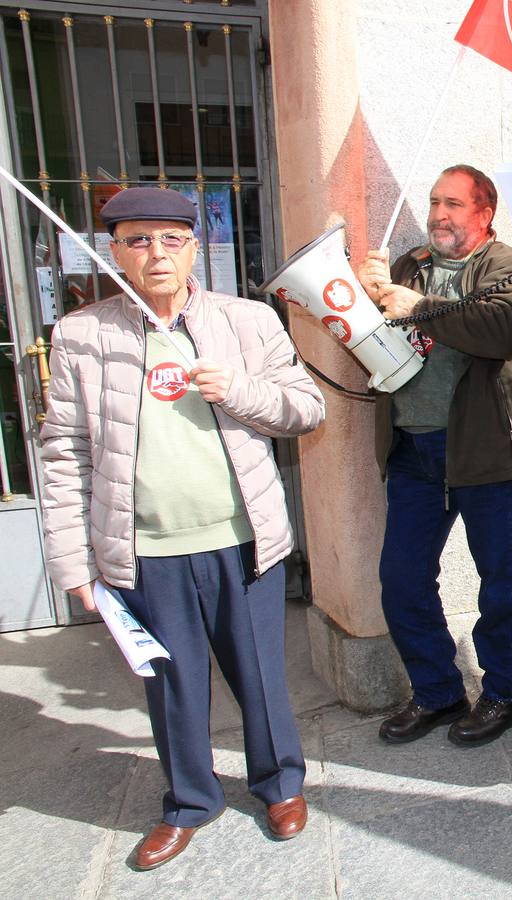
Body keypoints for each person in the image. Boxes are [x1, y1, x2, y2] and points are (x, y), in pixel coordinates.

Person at [40, 187, 325, 869]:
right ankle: (191, 801)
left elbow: (306, 408)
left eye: (171, 239)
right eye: (138, 241)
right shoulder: (83, 335)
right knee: (171, 684)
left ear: (196, 247)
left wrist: (239, 390)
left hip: (241, 540)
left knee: (261, 676)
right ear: (116, 252)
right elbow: (63, 453)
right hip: (145, 550)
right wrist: (74, 564)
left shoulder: (246, 320)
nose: (157, 254)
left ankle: (279, 785)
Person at [355, 165, 512, 746]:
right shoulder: (409, 265)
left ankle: (509, 694)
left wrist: (417, 306)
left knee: (501, 585)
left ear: (484, 213)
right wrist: (359, 299)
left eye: (454, 204)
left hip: (486, 451)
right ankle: (437, 692)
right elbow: (371, 341)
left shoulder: (510, 266)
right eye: (435, 201)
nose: (439, 214)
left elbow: (499, 331)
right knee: (402, 580)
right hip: (413, 449)